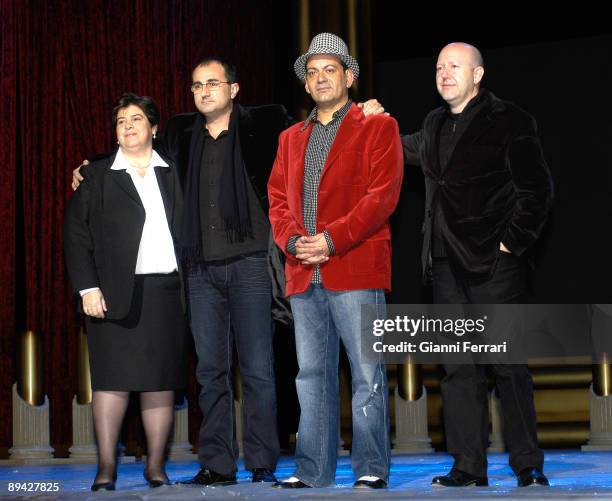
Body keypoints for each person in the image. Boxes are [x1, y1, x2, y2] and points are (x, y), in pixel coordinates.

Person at [71, 59, 385, 487]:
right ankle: (217, 462)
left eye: (213, 83)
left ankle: (261, 460)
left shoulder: (269, 121)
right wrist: (91, 169)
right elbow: (136, 150)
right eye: (197, 85)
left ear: (233, 90)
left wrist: (366, 107)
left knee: (258, 368)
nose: (204, 91)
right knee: (210, 371)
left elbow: (326, 126)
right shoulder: (181, 134)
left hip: (252, 263)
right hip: (200, 271)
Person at [402, 42, 554, 488]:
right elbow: (398, 150)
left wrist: (512, 243)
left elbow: (537, 190)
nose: (445, 73)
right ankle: (468, 465)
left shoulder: (509, 119)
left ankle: (528, 464)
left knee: (508, 366)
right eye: (439, 67)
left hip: (494, 264)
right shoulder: (432, 124)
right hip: (445, 266)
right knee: (457, 368)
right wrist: (365, 121)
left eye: (455, 66)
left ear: (478, 74)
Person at [268, 33, 403, 489]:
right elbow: (276, 199)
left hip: (356, 266)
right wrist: (293, 242)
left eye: (330, 69)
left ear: (349, 76)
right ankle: (312, 471)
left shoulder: (377, 126)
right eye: (312, 72)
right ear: (306, 85)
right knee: (311, 377)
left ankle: (370, 467)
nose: (321, 78)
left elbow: (380, 198)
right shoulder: (289, 138)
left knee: (367, 374)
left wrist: (331, 238)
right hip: (304, 270)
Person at [63, 93, 187, 491]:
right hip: (111, 294)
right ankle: (105, 470)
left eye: (137, 119)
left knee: (159, 381)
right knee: (111, 382)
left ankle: (156, 468)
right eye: (121, 121)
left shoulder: (175, 171)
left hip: (167, 294)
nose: (129, 125)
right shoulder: (97, 175)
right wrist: (87, 287)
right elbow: (75, 235)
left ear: (153, 127)